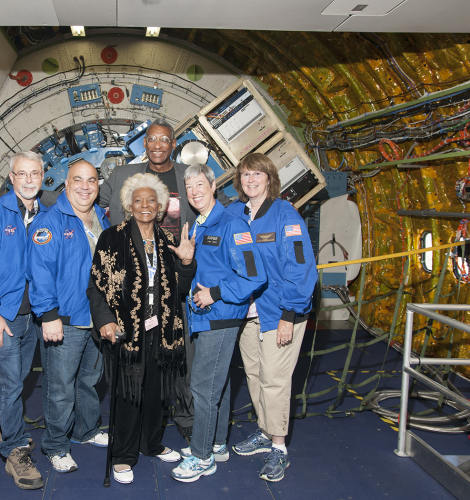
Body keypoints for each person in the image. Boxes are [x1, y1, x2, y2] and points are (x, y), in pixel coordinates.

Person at [99, 118, 229, 442]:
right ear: (145, 144)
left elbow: (214, 209)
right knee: (137, 355)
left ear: (174, 144)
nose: (158, 145)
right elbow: (94, 203)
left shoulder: (187, 180)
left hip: (177, 282)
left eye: (164, 140)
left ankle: (186, 417)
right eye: (152, 140)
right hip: (133, 287)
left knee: (182, 354)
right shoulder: (122, 176)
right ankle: (138, 420)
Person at [88, 173, 196, 484]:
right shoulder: (113, 237)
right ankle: (123, 454)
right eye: (139, 201)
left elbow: (180, 288)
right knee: (127, 391)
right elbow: (96, 285)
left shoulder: (166, 241)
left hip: (161, 330)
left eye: (151, 201)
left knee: (155, 391)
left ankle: (151, 443)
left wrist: (187, 264)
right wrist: (105, 319)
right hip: (125, 329)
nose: (145, 206)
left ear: (161, 206)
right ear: (129, 206)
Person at [170, 164, 267, 483]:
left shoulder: (232, 224)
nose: (195, 191)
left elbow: (254, 274)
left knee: (202, 386)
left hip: (221, 316)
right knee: (217, 384)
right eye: (190, 186)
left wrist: (216, 293)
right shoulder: (198, 224)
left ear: (213, 186)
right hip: (202, 318)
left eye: (201, 184)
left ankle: (201, 456)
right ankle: (217, 444)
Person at [227, 153, 317, 483]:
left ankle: (279, 447)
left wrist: (289, 314)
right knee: (254, 375)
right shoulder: (235, 212)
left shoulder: (285, 215)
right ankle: (265, 432)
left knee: (275, 380)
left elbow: (299, 266)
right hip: (247, 313)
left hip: (280, 312)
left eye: (257, 174)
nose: (251, 180)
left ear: (269, 178)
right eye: (245, 174)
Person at [0, 151, 49, 490]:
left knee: (14, 376)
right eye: (23, 174)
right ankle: (15, 450)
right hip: (3, 315)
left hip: (33, 315)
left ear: (43, 176)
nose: (29, 180)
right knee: (12, 381)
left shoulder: (45, 214)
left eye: (35, 174)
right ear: (11, 177)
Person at [27, 160, 111, 473]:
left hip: (96, 318)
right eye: (78, 180)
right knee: (60, 387)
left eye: (91, 180)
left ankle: (86, 431)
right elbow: (39, 273)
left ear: (98, 185)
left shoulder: (100, 218)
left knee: (89, 381)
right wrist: (48, 315)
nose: (85, 186)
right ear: (66, 185)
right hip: (63, 318)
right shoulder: (50, 222)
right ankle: (56, 445)